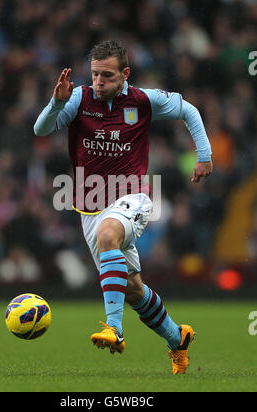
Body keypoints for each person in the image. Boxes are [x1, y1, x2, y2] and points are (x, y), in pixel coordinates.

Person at [34, 40, 213, 374]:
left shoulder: (143, 100)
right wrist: (55, 105)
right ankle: (177, 338)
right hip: (88, 205)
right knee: (132, 289)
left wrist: (204, 155)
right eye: (95, 75)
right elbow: (40, 129)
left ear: (125, 74)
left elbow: (189, 110)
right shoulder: (79, 99)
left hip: (132, 196)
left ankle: (113, 328)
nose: (99, 82)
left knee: (108, 235)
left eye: (107, 75)